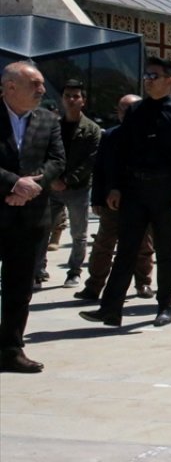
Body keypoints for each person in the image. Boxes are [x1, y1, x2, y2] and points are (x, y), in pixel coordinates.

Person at [80, 57, 171, 328]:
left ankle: (165, 306)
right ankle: (110, 309)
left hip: (167, 190)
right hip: (134, 189)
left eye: (154, 76)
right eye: (146, 75)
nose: (148, 80)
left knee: (166, 251)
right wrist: (116, 187)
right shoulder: (135, 111)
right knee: (126, 250)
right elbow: (123, 152)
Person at [1, 60, 65, 373]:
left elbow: (56, 160)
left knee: (20, 287)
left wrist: (31, 186)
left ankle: (11, 349)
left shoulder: (48, 120)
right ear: (10, 87)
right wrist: (13, 183)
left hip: (30, 217)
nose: (42, 90)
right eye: (35, 84)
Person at [75, 94, 156, 302]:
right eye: (122, 109)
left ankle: (143, 283)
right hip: (113, 202)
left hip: (141, 200)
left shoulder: (152, 137)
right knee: (104, 244)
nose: (126, 113)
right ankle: (93, 286)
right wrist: (97, 199)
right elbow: (100, 169)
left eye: (131, 109)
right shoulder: (110, 136)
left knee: (144, 246)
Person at [37, 79, 100, 288]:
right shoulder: (54, 126)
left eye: (76, 96)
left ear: (83, 100)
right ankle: (38, 270)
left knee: (78, 233)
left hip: (78, 189)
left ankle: (74, 271)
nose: (71, 100)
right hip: (52, 187)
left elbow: (90, 160)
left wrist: (68, 181)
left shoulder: (92, 129)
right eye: (67, 96)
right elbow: (47, 155)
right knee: (43, 229)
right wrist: (52, 179)